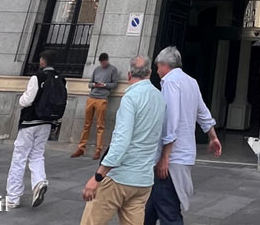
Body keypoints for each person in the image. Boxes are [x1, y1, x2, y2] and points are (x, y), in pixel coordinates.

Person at [80, 55, 166, 225]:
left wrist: (98, 176)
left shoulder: (130, 98)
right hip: (143, 180)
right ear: (149, 72)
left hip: (119, 178)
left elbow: (121, 141)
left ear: (128, 76)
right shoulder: (159, 97)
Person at [144, 46, 222, 225]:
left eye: (158, 66)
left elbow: (171, 119)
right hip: (184, 154)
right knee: (151, 206)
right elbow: (202, 112)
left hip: (172, 158)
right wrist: (213, 136)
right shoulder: (191, 81)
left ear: (165, 65)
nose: (157, 71)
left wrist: (165, 156)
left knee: (168, 209)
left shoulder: (170, 82)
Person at [6, 50, 67, 210]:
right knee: (37, 155)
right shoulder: (61, 79)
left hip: (30, 121)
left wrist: (20, 99)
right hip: (47, 122)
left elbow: (27, 100)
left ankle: (13, 197)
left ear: (43, 61)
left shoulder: (37, 78)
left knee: (19, 157)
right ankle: (39, 182)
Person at [73, 52, 120, 160]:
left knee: (100, 125)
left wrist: (104, 85)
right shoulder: (97, 69)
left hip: (102, 98)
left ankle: (98, 150)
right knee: (86, 124)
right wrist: (94, 84)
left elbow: (115, 84)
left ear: (107, 60)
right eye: (101, 62)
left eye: (104, 62)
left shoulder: (113, 70)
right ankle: (81, 148)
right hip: (92, 97)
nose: (102, 64)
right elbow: (90, 83)